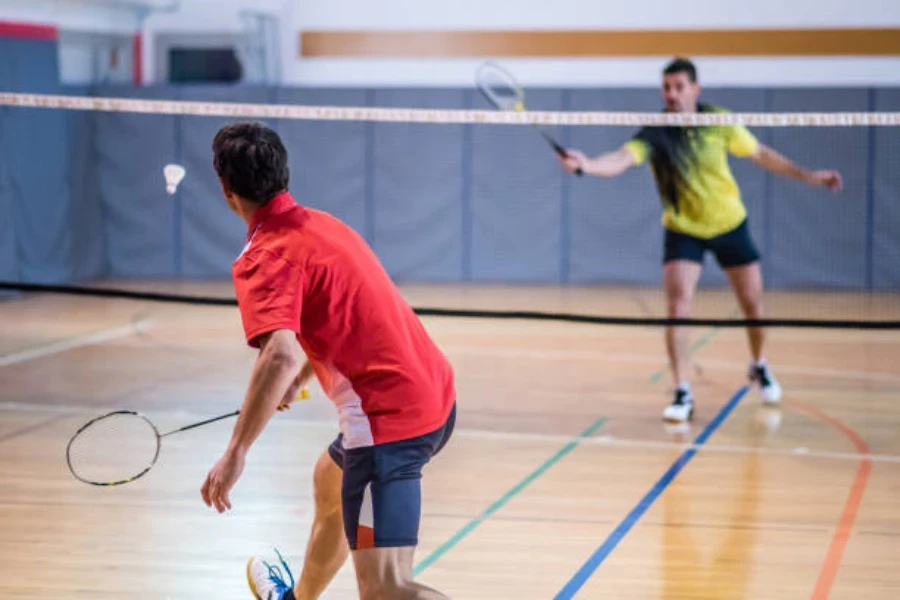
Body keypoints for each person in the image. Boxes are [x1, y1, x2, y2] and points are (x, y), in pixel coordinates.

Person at [200, 122, 456, 600]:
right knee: (330, 480)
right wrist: (300, 376)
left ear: (225, 189)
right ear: (281, 172)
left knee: (386, 590)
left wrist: (235, 452)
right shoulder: (320, 225)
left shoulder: (265, 257)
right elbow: (324, 325)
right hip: (435, 396)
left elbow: (277, 353)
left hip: (390, 426)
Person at [559, 57, 843, 423]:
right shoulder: (655, 133)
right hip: (683, 229)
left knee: (753, 304)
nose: (672, 95)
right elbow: (620, 159)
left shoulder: (717, 121)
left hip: (730, 224)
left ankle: (759, 364)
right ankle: (682, 391)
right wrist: (586, 164)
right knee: (678, 310)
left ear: (696, 89)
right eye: (666, 88)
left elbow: (760, 154)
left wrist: (809, 176)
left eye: (679, 87)